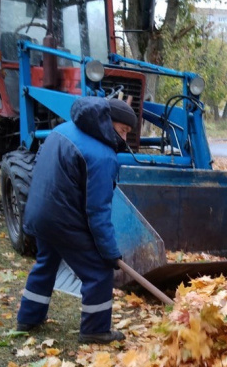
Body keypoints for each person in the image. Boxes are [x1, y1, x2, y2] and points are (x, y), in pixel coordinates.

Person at [15, 96, 137, 344]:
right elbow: (97, 210)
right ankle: (95, 329)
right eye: (122, 131)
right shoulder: (103, 155)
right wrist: (109, 252)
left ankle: (28, 318)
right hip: (62, 218)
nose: (124, 139)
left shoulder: (62, 129)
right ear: (107, 121)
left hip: (39, 211)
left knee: (46, 263)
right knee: (99, 272)